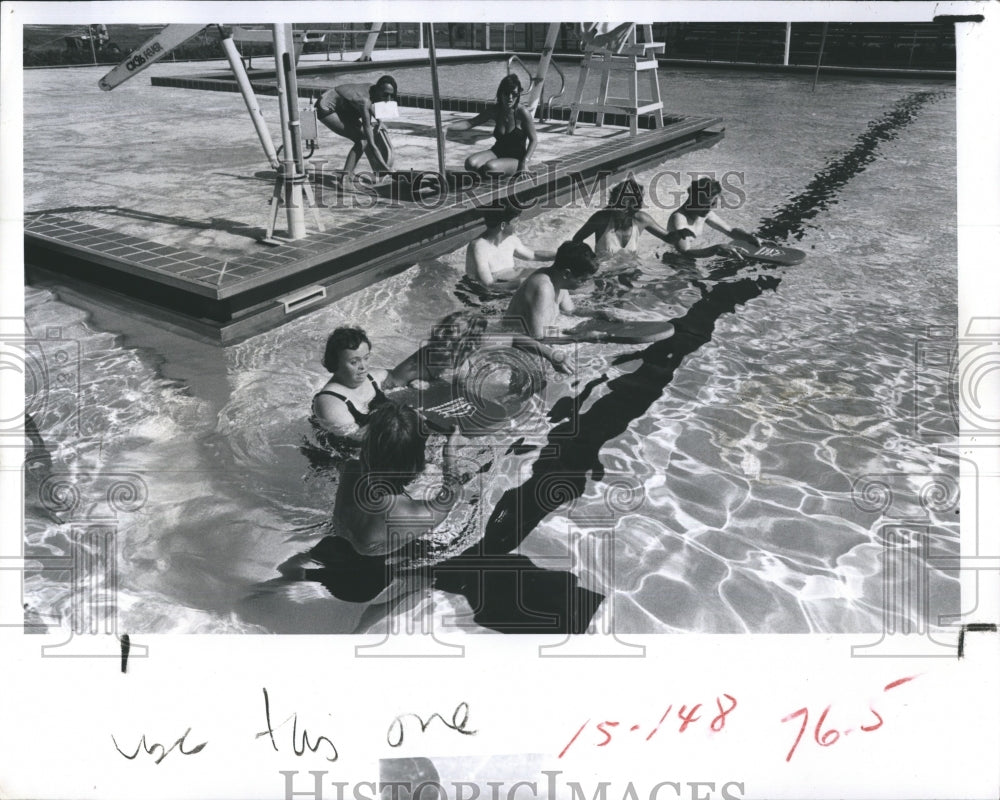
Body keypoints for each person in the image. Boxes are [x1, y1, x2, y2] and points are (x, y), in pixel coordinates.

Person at [334, 402, 463, 557]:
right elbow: (452, 492)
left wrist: (405, 427)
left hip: (338, 545)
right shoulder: (412, 515)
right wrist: (450, 453)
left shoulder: (350, 470)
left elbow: (381, 450)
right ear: (417, 463)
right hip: (379, 561)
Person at [502, 240, 601, 372]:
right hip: (517, 353)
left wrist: (599, 313)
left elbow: (571, 310)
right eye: (582, 280)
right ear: (567, 273)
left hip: (537, 345)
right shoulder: (542, 287)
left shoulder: (558, 280)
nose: (584, 284)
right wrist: (580, 337)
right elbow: (536, 338)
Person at [312, 327, 412, 441]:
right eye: (354, 362)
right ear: (335, 363)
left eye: (366, 358)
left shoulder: (372, 378)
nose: (363, 367)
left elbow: (397, 378)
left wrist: (412, 382)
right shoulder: (329, 403)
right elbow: (358, 439)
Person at [446, 75, 537, 178]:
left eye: (514, 94)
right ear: (500, 93)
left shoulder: (522, 113)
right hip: (497, 151)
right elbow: (470, 123)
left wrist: (525, 162)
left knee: (491, 167)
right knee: (470, 163)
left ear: (518, 94)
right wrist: (447, 127)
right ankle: (485, 175)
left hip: (516, 158)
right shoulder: (495, 110)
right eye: (506, 93)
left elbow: (533, 140)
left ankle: (485, 175)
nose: (510, 98)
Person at [315, 75, 397, 185]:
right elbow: (372, 144)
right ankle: (344, 179)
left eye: (391, 96)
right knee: (362, 140)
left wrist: (379, 121)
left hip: (340, 106)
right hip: (325, 107)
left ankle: (349, 173)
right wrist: (386, 167)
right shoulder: (364, 101)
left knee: (363, 138)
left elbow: (370, 105)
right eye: (385, 95)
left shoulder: (372, 88)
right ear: (378, 89)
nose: (388, 99)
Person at [572, 178, 676, 258]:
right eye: (613, 203)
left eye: (620, 206)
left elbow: (669, 238)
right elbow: (576, 241)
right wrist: (590, 258)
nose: (614, 208)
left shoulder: (641, 219)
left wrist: (681, 232)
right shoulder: (601, 219)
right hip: (605, 276)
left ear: (631, 207)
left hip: (631, 273)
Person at [665, 177, 761, 258]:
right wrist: (716, 248)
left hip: (693, 256)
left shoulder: (703, 212)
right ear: (692, 200)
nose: (709, 209)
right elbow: (685, 251)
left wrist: (749, 237)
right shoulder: (679, 219)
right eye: (704, 204)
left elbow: (730, 231)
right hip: (676, 259)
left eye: (713, 203)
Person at [465, 205, 555, 286]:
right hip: (486, 295)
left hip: (508, 285)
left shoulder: (511, 240)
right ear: (503, 225)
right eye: (515, 221)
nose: (519, 224)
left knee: (548, 276)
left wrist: (559, 255)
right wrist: (523, 283)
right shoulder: (479, 247)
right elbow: (488, 285)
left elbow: (533, 255)